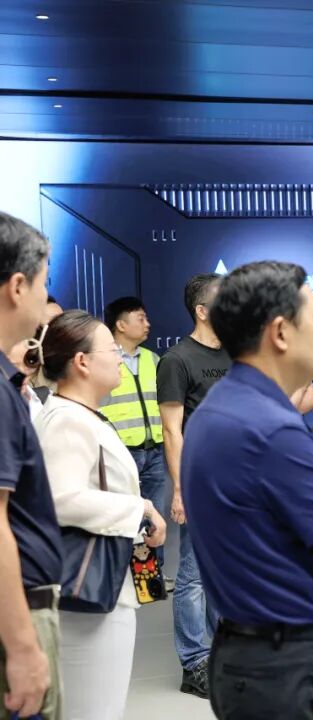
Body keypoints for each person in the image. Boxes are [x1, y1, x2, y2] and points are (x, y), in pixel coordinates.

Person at [182, 261, 313, 719]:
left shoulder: (225, 407)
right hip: (289, 668)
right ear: (280, 332)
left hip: (252, 656)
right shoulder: (270, 428)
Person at [34, 310, 167, 720]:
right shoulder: (67, 420)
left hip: (105, 584)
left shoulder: (82, 415)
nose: (120, 359)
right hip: (87, 593)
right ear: (82, 362)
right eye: (112, 350)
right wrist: (138, 509)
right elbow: (60, 498)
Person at [0, 212, 63, 720]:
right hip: (16, 611)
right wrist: (22, 647)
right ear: (18, 286)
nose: (46, 301)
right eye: (43, 283)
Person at [157, 273, 229, 698]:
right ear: (202, 311)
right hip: (200, 480)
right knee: (194, 574)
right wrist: (181, 490)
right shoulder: (177, 359)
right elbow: (172, 431)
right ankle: (194, 662)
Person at [100, 297, 174, 591]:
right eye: (140, 318)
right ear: (120, 324)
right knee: (125, 516)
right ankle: (124, 579)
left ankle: (151, 579)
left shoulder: (153, 359)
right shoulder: (105, 360)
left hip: (153, 448)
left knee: (154, 516)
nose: (148, 324)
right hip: (121, 453)